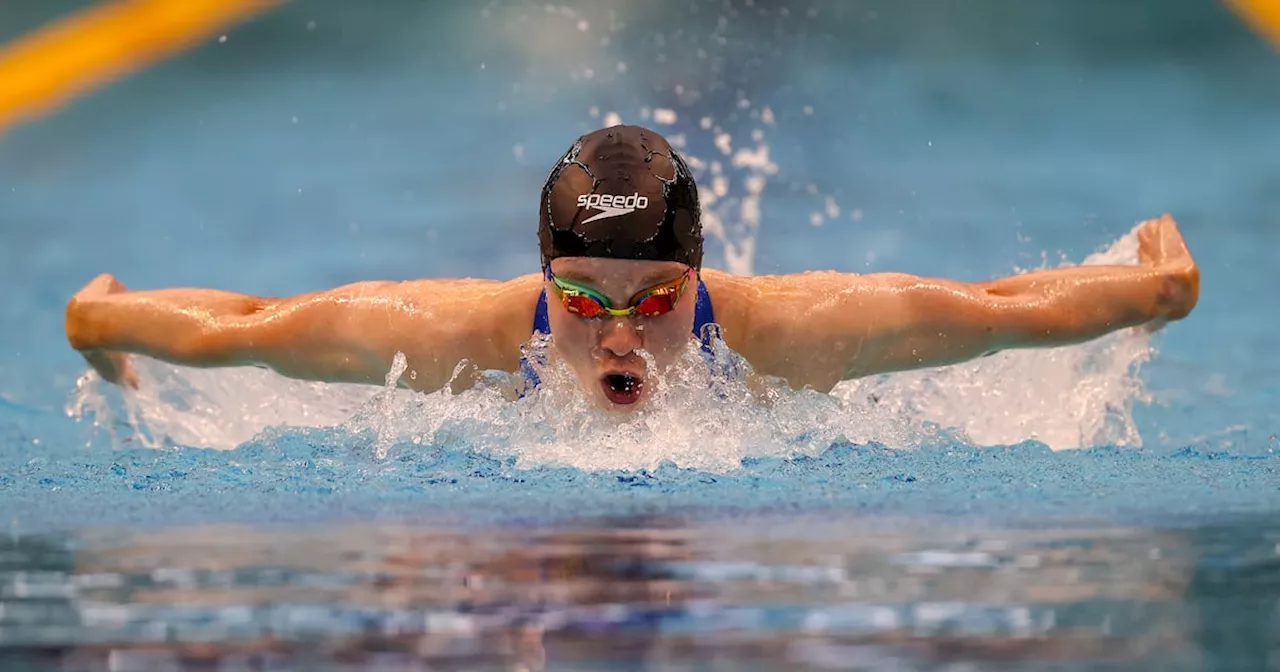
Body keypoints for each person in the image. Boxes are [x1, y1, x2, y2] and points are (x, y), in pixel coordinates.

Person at [64, 125, 1200, 410]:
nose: (616, 337)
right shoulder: (461, 335)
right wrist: (101, 319)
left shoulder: (787, 332)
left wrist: (1155, 287)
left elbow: (996, 312)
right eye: (581, 300)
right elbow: (250, 322)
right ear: (540, 282)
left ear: (697, 281)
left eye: (654, 302)